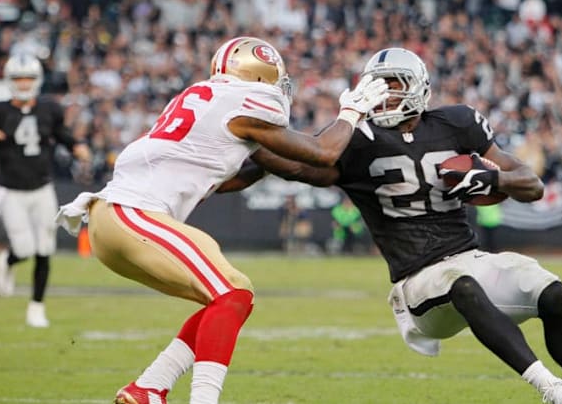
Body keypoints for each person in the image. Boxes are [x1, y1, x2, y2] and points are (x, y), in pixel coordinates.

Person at [233, 48, 562, 404]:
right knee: (461, 285)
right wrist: (249, 137)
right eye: (378, 85)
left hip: (468, 256)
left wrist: (493, 181)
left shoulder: (457, 123)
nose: (385, 95)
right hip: (416, 282)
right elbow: (300, 165)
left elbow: (531, 184)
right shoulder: (359, 141)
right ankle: (551, 388)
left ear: (417, 86)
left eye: (393, 84)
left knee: (550, 289)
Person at [55, 36, 388, 404]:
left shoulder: (212, 100)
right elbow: (322, 153)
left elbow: (250, 174)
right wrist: (351, 114)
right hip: (132, 215)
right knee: (233, 292)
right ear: (259, 75)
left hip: (112, 223)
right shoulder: (244, 106)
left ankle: (149, 387)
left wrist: (298, 155)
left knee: (230, 298)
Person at [0, 53, 91, 328]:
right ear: (10, 80)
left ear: (38, 80)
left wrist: (76, 146)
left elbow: (61, 134)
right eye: (18, 79)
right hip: (11, 189)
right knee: (23, 249)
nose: (24, 84)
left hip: (41, 186)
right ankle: (9, 260)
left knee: (45, 247)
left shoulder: (49, 109)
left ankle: (36, 306)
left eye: (28, 78)